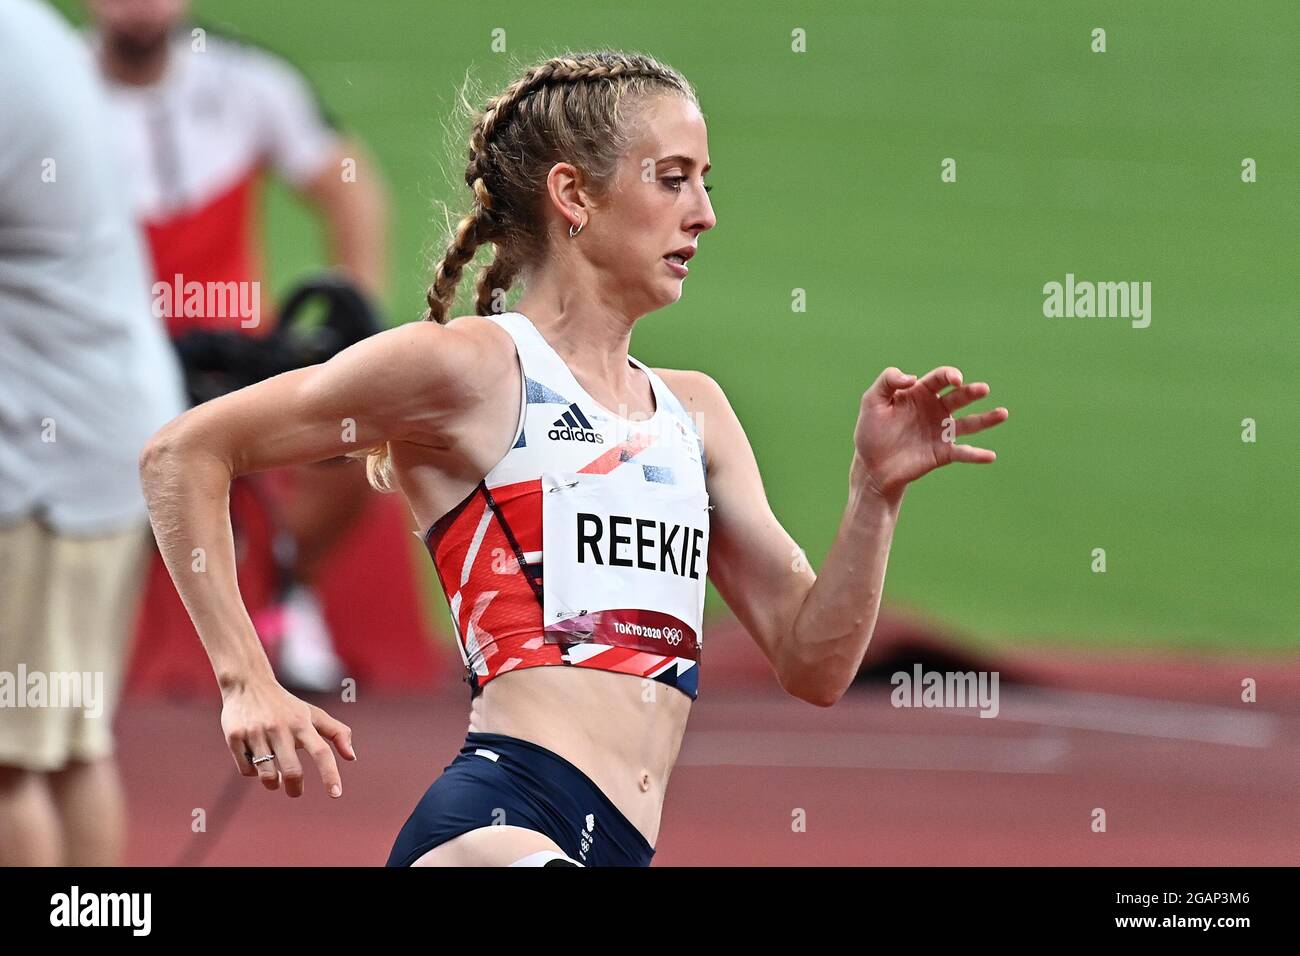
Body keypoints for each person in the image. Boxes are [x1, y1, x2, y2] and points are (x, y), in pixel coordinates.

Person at [138, 51, 1009, 867]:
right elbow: (183, 454)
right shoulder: (471, 369)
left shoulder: (694, 411)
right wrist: (246, 678)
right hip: (495, 826)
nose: (703, 212)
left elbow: (812, 662)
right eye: (672, 180)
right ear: (573, 195)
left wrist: (874, 494)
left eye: (704, 184)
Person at [87, 0, 389, 690]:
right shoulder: (48, 92)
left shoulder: (248, 83)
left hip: (237, 354)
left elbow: (349, 186)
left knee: (352, 435)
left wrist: (356, 320)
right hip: (102, 353)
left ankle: (285, 586)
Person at [0, 0, 188, 866]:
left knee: (11, 763)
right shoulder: (28, 30)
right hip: (94, 438)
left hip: (43, 459)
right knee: (71, 743)